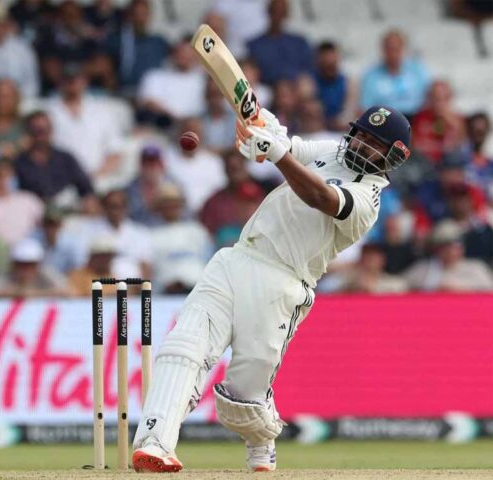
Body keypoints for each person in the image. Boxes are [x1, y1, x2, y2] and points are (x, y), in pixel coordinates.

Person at [131, 104, 413, 472]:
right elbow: (286, 148)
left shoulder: (369, 198)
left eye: (374, 143)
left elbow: (321, 197)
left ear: (393, 156)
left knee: (241, 399)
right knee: (184, 346)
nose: (361, 144)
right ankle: (155, 442)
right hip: (236, 259)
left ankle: (262, 436)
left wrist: (277, 154)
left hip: (283, 283)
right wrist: (258, 130)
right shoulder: (331, 150)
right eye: (360, 134)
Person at [15, 111, 97, 213]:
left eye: (46, 130)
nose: (42, 135)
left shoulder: (66, 159)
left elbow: (87, 190)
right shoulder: (18, 163)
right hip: (31, 214)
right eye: (37, 131)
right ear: (28, 132)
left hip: (66, 213)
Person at [405, 220, 493, 291]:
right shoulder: (423, 269)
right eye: (445, 245)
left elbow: (489, 291)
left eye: (456, 244)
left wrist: (460, 288)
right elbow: (401, 285)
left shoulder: (476, 268)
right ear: (436, 248)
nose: (451, 250)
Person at [360, 29, 430, 117]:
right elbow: (365, 107)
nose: (393, 54)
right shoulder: (371, 75)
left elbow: (427, 100)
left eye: (396, 49)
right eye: (389, 49)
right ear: (383, 50)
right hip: (386, 117)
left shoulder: (417, 70)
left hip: (415, 116)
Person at [246, 0, 313, 84]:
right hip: (266, 89)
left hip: (296, 87)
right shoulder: (255, 45)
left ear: (286, 15)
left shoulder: (299, 43)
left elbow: (308, 70)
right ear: (269, 12)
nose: (277, 17)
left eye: (281, 13)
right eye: (275, 12)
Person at [0, 158, 43, 247]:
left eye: (3, 175)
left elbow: (44, 225)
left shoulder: (29, 200)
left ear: (11, 175)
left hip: (26, 249)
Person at [0, 237, 67, 298]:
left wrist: (37, 294)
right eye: (21, 264)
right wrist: (16, 293)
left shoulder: (45, 273)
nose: (26, 269)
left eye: (31, 264)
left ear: (38, 265)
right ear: (14, 264)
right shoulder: (7, 274)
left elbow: (67, 291)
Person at [0, 79, 25, 159]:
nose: (3, 101)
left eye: (8, 97)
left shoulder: (25, 125)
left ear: (16, 99)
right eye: (0, 96)